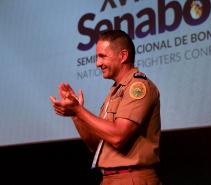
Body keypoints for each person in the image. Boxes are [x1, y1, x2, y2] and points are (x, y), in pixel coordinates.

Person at [50, 30, 162, 185]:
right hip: (109, 179)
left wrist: (79, 110)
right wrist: (76, 115)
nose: (97, 63)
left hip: (132, 178)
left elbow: (118, 136)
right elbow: (97, 146)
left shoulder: (138, 86)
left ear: (123, 56)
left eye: (102, 56)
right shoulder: (114, 91)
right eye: (97, 57)